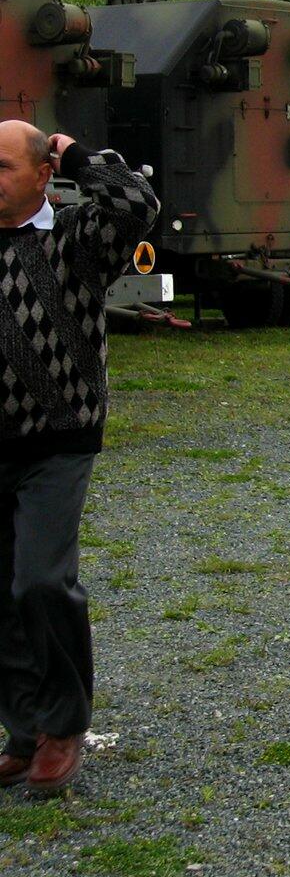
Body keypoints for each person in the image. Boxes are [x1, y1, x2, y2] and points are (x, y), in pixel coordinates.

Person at [0, 121, 159, 793]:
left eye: (3, 167)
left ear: (42, 175)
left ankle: (63, 728)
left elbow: (136, 204)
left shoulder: (76, 239)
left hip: (57, 440)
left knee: (41, 581)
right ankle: (23, 731)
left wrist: (74, 154)